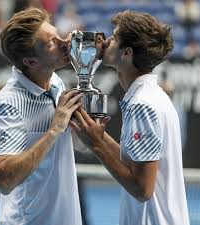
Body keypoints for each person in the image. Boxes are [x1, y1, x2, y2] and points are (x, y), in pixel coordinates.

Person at [71, 10, 190, 225]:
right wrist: (100, 138)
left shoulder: (142, 104)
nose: (105, 41)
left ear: (126, 53)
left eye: (114, 38)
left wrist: (97, 145)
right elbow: (135, 164)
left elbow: (142, 188)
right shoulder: (151, 97)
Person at [0, 7, 83, 225]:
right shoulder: (9, 103)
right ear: (31, 62)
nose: (63, 42)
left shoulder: (55, 81)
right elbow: (4, 180)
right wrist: (54, 130)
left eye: (57, 34)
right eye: (51, 43)